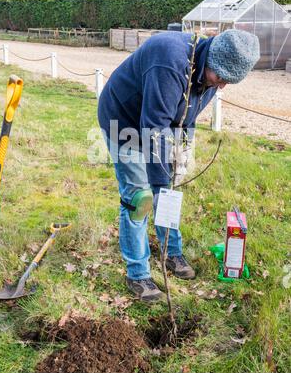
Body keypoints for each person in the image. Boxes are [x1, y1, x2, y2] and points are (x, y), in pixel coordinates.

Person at [97, 29, 260, 303]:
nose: (221, 86)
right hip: (123, 121)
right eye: (220, 77)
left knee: (169, 191)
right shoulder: (170, 59)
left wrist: (182, 156)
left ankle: (171, 252)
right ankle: (137, 275)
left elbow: (187, 117)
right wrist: (163, 179)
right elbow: (154, 126)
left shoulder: (208, 77)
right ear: (211, 59)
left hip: (159, 125)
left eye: (228, 81)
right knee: (141, 198)